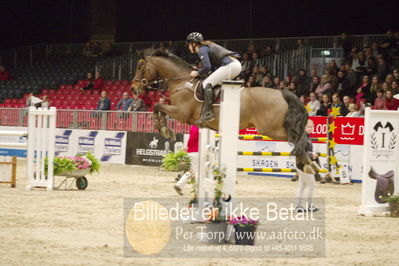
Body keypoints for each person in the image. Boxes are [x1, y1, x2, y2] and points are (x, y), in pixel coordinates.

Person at [186, 32, 242, 125]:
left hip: (231, 66)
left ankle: (208, 113)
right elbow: (211, 68)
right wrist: (200, 70)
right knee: (214, 82)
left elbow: (207, 67)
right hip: (234, 65)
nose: (188, 47)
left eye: (188, 44)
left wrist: (197, 72)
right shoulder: (205, 48)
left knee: (206, 84)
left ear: (193, 43)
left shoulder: (201, 50)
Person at [295, 119, 319, 212]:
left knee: (302, 185)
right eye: (308, 126)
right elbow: (299, 151)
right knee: (312, 185)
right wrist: (311, 154)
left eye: (311, 127)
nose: (310, 128)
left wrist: (311, 154)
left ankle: (298, 206)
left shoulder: (306, 136)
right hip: (303, 164)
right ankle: (309, 206)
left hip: (303, 163)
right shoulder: (302, 137)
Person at [174, 125, 199, 195]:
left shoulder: (194, 126)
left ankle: (179, 185)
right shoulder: (197, 127)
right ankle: (195, 190)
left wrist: (188, 147)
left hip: (193, 151)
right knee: (196, 171)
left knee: (192, 171)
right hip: (196, 151)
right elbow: (192, 138)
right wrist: (188, 146)